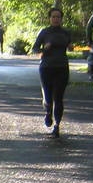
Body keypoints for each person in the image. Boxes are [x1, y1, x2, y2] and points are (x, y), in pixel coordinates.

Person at [31, 7, 71, 138]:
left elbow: (70, 45)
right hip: (47, 67)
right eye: (53, 17)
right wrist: (44, 48)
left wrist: (70, 47)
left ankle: (57, 126)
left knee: (58, 98)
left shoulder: (65, 33)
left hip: (62, 67)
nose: (56, 19)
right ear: (49, 18)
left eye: (58, 17)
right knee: (48, 99)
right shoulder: (44, 32)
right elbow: (34, 49)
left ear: (61, 19)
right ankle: (48, 113)